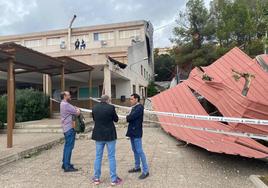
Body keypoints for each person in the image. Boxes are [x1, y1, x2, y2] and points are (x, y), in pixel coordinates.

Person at [91, 95, 122, 186]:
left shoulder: (94, 107)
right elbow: (116, 119)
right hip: (110, 135)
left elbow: (94, 119)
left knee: (98, 156)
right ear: (108, 100)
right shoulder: (111, 107)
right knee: (111, 156)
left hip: (98, 135)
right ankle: (113, 179)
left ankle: (96, 178)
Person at [126, 93, 149, 180]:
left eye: (131, 99)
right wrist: (128, 117)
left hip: (137, 132)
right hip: (132, 131)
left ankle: (146, 171)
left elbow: (130, 118)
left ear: (136, 99)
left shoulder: (139, 108)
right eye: (130, 99)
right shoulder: (134, 107)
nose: (130, 100)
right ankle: (137, 167)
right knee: (134, 150)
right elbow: (130, 118)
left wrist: (128, 117)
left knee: (139, 151)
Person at [60, 91, 80, 172]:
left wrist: (74, 108)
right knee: (69, 147)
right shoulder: (66, 105)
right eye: (68, 95)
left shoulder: (63, 104)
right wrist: (77, 109)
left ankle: (65, 163)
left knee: (66, 147)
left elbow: (73, 109)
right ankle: (67, 166)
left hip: (66, 128)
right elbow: (77, 113)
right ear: (65, 96)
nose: (70, 96)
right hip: (69, 128)